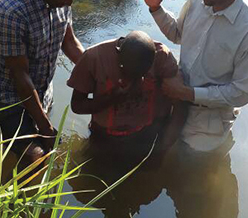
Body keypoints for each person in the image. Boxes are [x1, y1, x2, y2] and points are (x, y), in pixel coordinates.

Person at [139, 0, 248, 151]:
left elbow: (241, 93)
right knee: (159, 160)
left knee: (192, 169)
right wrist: (155, 7)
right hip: (175, 103)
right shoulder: (197, 1)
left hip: (208, 123)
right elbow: (177, 34)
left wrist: (189, 93)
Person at [0, 0, 86, 165]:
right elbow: (19, 76)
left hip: (41, 91)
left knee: (47, 150)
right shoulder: (12, 10)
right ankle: (12, 195)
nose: (69, 3)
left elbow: (69, 42)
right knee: (35, 158)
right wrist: (46, 126)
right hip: (9, 96)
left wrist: (98, 70)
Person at [67, 30, 187, 160]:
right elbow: (77, 106)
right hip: (105, 138)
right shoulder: (94, 57)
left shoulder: (162, 56)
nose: (135, 81)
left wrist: (163, 147)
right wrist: (112, 98)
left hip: (147, 136)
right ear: (118, 53)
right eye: (128, 73)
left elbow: (180, 103)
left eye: (142, 75)